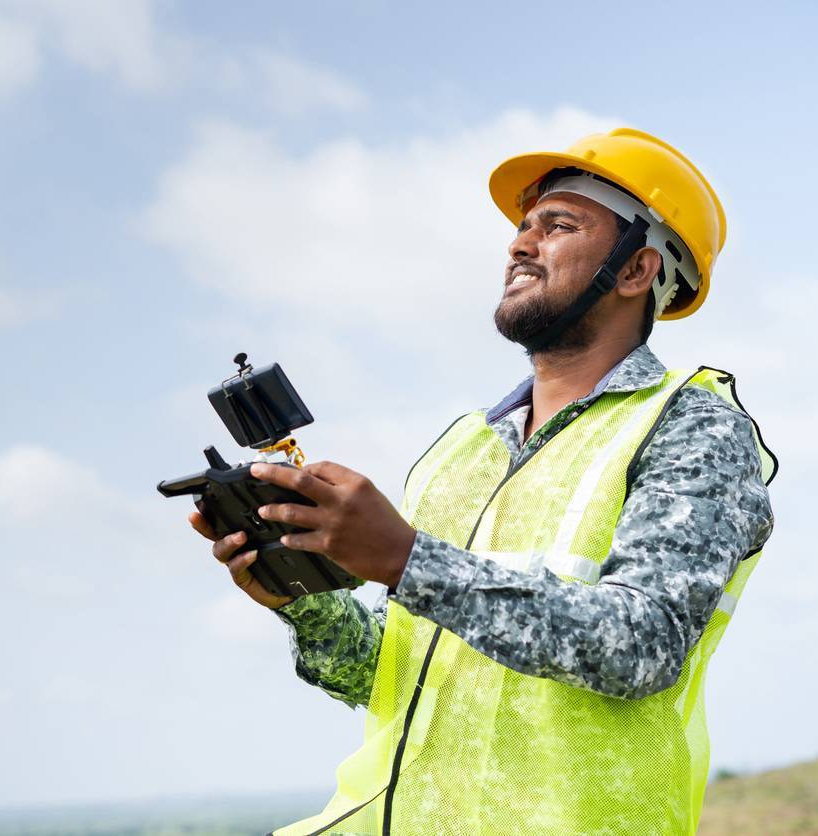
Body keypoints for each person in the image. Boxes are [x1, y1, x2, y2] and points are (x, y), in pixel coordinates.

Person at [188, 127, 777, 835]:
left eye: (557, 226)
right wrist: (299, 594)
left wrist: (407, 558)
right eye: (523, 227)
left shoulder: (692, 425)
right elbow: (392, 672)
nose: (519, 245)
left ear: (635, 270)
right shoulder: (462, 449)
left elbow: (640, 646)